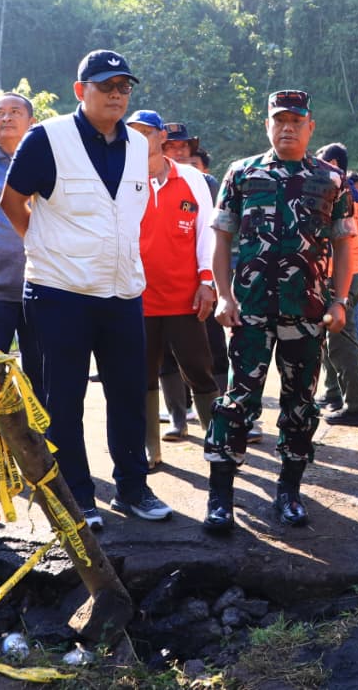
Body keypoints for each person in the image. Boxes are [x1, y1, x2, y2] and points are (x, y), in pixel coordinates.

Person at [0, 49, 173, 531]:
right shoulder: (46, 138)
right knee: (64, 399)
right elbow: (11, 201)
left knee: (127, 394)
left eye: (124, 88)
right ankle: (77, 495)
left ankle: (133, 487)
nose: (116, 95)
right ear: (82, 91)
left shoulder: (138, 146)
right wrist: (42, 244)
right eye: (106, 86)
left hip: (121, 291)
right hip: (60, 292)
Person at [202, 89, 355, 534]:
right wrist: (225, 296)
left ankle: (288, 492)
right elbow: (222, 239)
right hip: (249, 312)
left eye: (296, 120)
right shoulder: (242, 173)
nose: (286, 127)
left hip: (305, 314)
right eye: (278, 120)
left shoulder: (331, 180)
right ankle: (221, 496)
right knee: (236, 402)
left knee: (300, 406)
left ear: (310, 127)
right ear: (267, 125)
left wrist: (340, 300)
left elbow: (346, 245)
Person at [125, 109, 219, 470]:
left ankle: (215, 442)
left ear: (162, 137)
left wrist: (207, 282)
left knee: (199, 369)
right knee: (143, 373)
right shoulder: (119, 176)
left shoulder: (192, 179)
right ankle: (152, 450)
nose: (138, 138)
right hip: (136, 297)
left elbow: (205, 234)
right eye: (132, 131)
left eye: (146, 132)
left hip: (184, 296)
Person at [0, 92, 44, 478]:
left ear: (31, 121)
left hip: (41, 285)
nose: (6, 118)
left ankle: (41, 446)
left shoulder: (47, 160)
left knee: (40, 372)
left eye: (15, 112)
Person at [316, 142, 358, 427]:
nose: (317, 164)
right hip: (355, 269)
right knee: (335, 337)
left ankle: (355, 406)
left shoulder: (336, 192)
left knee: (340, 340)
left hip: (343, 271)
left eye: (322, 160)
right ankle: (335, 395)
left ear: (335, 163)